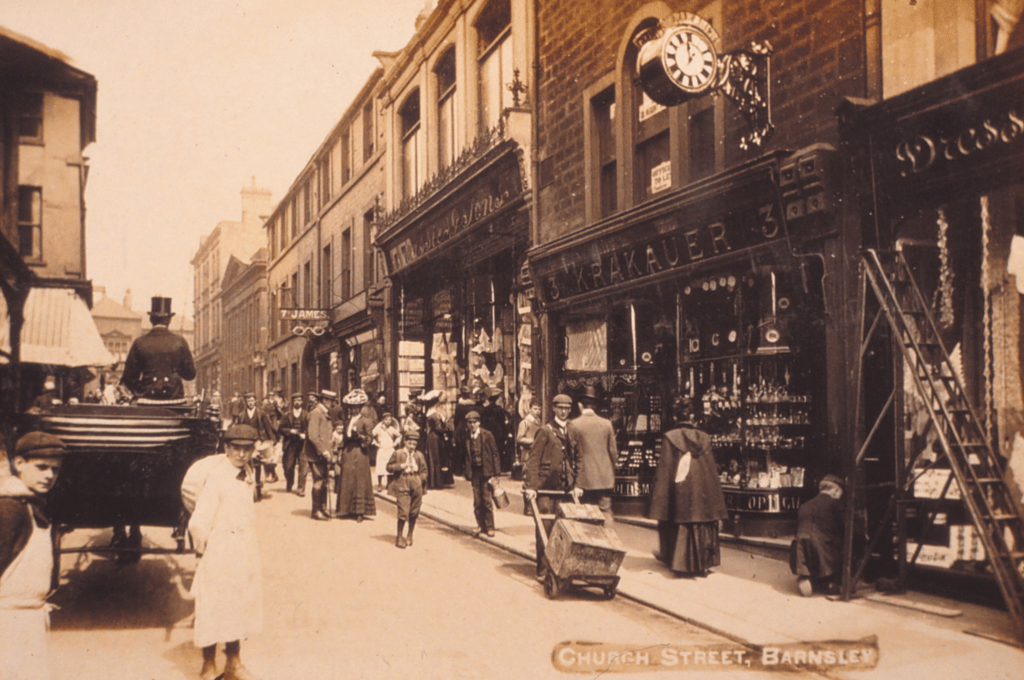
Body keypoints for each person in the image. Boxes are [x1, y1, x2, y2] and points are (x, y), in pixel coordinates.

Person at [188, 424, 264, 680]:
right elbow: (199, 520)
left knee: (239, 607)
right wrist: (205, 550)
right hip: (219, 552)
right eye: (236, 449)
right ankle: (208, 666)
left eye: (247, 449)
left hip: (243, 551)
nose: (241, 454)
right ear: (226, 448)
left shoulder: (247, 473)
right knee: (211, 607)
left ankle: (234, 662)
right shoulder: (218, 478)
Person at [0, 432, 67, 680]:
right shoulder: (10, 508)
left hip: (28, 619)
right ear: (19, 463)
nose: (49, 475)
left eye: (55, 470)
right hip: (8, 622)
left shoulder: (30, 505)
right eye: (41, 467)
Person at [647, 395, 728, 577]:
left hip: (681, 493)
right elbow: (710, 471)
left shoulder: (670, 438)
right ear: (692, 417)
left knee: (675, 523)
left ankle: (678, 561)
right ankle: (703, 563)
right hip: (702, 495)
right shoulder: (704, 438)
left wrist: (659, 499)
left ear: (675, 417)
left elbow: (665, 471)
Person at [522, 394, 575, 579]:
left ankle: (559, 568)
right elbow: (533, 459)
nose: (563, 411)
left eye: (567, 408)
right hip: (545, 488)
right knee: (545, 528)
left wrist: (575, 484)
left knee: (562, 530)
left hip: (563, 489)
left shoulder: (571, 430)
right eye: (560, 408)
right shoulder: (545, 430)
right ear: (553, 409)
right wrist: (531, 487)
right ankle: (543, 569)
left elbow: (575, 458)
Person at [120, 297, 196, 401]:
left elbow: (128, 378)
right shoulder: (180, 341)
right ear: (169, 320)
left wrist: (141, 391)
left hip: (146, 400)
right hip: (175, 401)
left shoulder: (139, 342)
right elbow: (190, 375)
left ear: (151, 319)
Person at [567, 385, 618, 522]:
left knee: (586, 514)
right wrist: (609, 470)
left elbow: (571, 454)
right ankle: (609, 540)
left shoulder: (574, 424)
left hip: (584, 480)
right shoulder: (606, 424)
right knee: (605, 512)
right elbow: (613, 453)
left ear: (580, 405)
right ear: (594, 406)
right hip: (604, 478)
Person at [790, 474, 845, 596]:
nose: (840, 496)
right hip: (824, 550)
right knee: (842, 542)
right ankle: (829, 583)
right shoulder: (834, 504)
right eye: (841, 492)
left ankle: (808, 578)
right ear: (835, 491)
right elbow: (845, 526)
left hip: (800, 551)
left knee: (814, 541)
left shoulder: (805, 505)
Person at [334, 389, 376, 522]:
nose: (354, 410)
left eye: (357, 407)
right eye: (352, 408)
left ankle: (360, 511)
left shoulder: (366, 421)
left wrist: (360, 436)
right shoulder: (347, 421)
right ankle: (346, 509)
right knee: (347, 480)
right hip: (348, 453)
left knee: (359, 481)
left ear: (360, 407)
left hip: (360, 454)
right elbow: (343, 440)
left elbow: (370, 440)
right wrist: (339, 453)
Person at [461, 410, 501, 537]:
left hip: (487, 471)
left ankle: (490, 526)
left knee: (487, 500)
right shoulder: (467, 437)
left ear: (479, 422)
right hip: (475, 473)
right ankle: (480, 525)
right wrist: (466, 472)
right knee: (477, 501)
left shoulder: (487, 435)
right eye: (470, 423)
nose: (472, 425)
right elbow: (466, 456)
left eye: (474, 422)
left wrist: (496, 473)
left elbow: (495, 454)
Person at [386, 430, 428, 549]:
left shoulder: (419, 455)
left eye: (414, 444)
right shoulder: (398, 453)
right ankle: (399, 536)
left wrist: (420, 480)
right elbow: (388, 467)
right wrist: (400, 466)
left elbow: (424, 470)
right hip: (402, 481)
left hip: (415, 482)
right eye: (409, 443)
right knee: (403, 511)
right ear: (405, 442)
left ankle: (409, 534)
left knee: (414, 511)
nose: (412, 446)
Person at [233, 393, 279, 498]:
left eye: (252, 400)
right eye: (248, 401)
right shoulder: (241, 415)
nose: (250, 403)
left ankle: (257, 488)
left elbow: (268, 426)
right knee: (245, 463)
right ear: (246, 402)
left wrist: (272, 439)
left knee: (257, 464)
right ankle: (246, 487)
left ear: (255, 401)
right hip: (246, 442)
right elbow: (238, 428)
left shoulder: (261, 414)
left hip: (258, 441)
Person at [303, 390, 337, 521]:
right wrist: (323, 451)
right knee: (318, 480)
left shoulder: (323, 412)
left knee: (323, 480)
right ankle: (316, 511)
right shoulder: (316, 413)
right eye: (330, 401)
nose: (332, 404)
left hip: (323, 454)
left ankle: (322, 508)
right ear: (325, 400)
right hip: (316, 454)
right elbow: (313, 435)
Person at [419, 390, 452, 489]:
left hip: (430, 437)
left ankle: (432, 481)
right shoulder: (435, 414)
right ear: (436, 403)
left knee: (432, 458)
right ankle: (437, 482)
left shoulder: (429, 413)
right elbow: (439, 428)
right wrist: (446, 429)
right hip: (436, 437)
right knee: (436, 458)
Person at [277, 393, 309, 496]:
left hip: (302, 444)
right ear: (292, 402)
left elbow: (311, 428)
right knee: (288, 466)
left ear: (302, 402)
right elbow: (280, 428)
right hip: (290, 444)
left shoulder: (306, 415)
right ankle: (289, 482)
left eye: (299, 400)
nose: (297, 402)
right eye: (295, 400)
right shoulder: (287, 415)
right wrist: (290, 431)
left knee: (303, 467)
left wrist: (305, 434)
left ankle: (301, 489)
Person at [481, 387, 513, 473]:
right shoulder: (499, 409)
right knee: (499, 450)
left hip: (490, 432)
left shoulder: (486, 409)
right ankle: (499, 468)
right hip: (499, 433)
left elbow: (484, 423)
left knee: (490, 449)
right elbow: (502, 422)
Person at [372, 411, 401, 491]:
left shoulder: (392, 429)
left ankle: (389, 484)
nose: (388, 421)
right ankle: (379, 484)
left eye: (389, 419)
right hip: (382, 449)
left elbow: (399, 436)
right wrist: (376, 443)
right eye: (386, 419)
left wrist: (395, 443)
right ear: (383, 420)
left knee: (390, 467)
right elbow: (372, 435)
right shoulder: (379, 427)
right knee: (380, 467)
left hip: (390, 449)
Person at [516, 399, 543, 473]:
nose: (537, 411)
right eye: (535, 409)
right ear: (530, 409)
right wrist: (533, 440)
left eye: (539, 409)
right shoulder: (525, 422)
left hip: (537, 453)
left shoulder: (539, 422)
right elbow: (519, 439)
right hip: (527, 454)